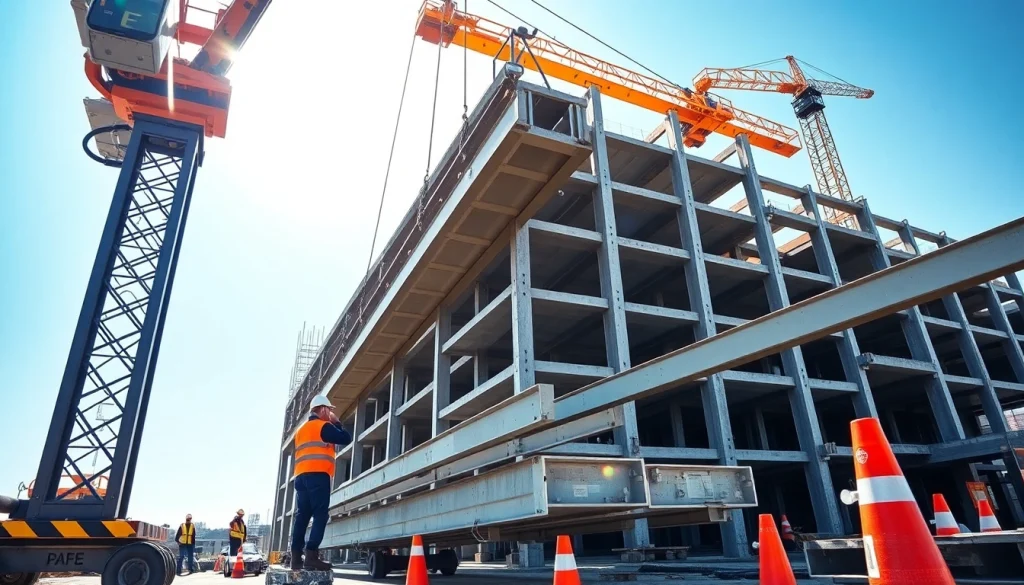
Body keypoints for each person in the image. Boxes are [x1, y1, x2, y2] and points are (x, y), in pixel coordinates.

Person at [290, 395, 351, 570]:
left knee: (302, 517)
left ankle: (295, 558)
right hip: (318, 476)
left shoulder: (300, 431)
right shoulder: (324, 427)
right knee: (320, 515)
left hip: (300, 477)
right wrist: (337, 422)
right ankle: (311, 555)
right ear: (323, 409)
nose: (330, 413)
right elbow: (345, 438)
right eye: (329, 410)